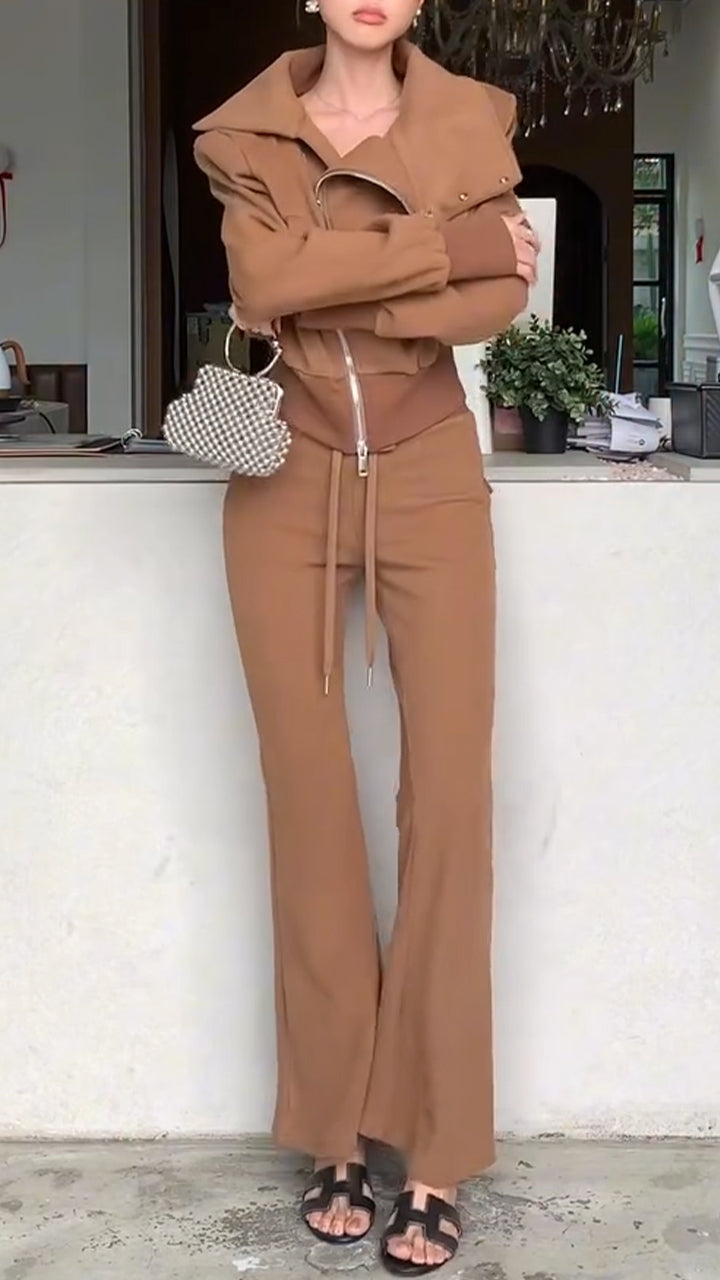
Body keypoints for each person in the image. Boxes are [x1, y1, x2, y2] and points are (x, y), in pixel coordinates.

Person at [193, 1, 538, 1273]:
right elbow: (264, 286)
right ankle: (334, 1127)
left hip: (431, 465)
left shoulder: (468, 118)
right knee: (309, 799)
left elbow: (503, 293)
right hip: (283, 472)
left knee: (448, 801)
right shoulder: (245, 132)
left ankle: (436, 1146)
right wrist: (442, 245)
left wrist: (354, 287)